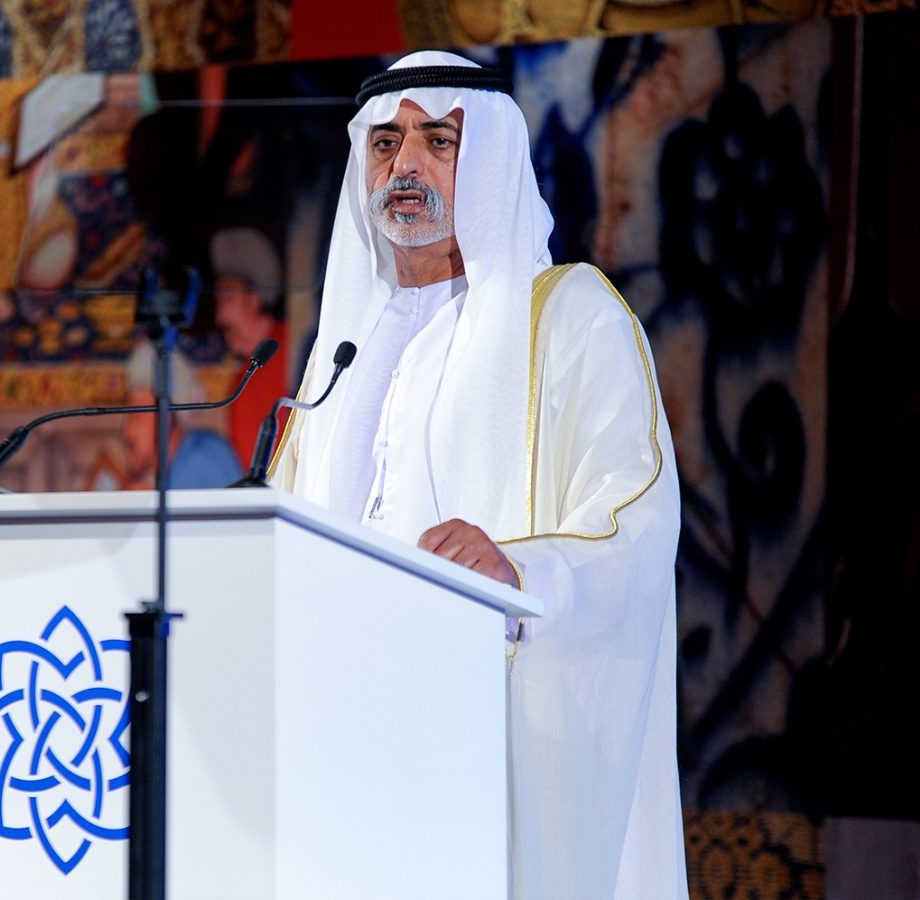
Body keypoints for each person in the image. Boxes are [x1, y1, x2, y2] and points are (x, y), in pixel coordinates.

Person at [271, 52, 686, 899]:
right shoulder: (341, 352)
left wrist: (522, 571)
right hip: (342, 744)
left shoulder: (570, 319)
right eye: (386, 144)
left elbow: (635, 521)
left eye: (440, 141)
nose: (406, 165)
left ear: (491, 157)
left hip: (486, 740)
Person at [210, 227, 288, 467]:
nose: (220, 316)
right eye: (219, 302)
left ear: (254, 299)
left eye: (229, 300)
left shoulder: (295, 352)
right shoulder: (240, 382)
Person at [122, 338, 242, 490]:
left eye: (138, 416)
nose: (128, 431)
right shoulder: (175, 466)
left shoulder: (202, 461)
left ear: (167, 417)